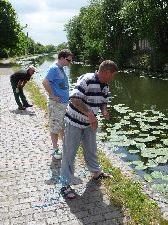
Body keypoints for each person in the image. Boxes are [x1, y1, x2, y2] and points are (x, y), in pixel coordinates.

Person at [59, 60, 118, 199]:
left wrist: (104, 111)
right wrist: (90, 114)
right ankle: (65, 185)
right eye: (113, 74)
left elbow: (104, 101)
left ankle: (96, 173)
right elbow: (74, 98)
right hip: (74, 122)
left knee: (91, 148)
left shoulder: (105, 85)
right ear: (106, 72)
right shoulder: (87, 79)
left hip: (90, 123)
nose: (113, 77)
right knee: (70, 152)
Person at [42, 49, 73, 160]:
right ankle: (55, 149)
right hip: (56, 104)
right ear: (62, 58)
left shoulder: (61, 69)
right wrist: (53, 96)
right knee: (55, 126)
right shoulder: (54, 68)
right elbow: (45, 82)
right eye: (68, 60)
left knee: (62, 126)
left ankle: (64, 147)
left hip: (63, 104)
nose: (70, 62)